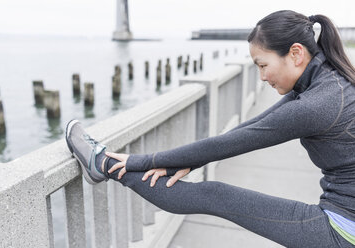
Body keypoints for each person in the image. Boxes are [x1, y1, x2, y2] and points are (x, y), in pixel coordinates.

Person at [65, 10, 355, 248]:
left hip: (343, 229)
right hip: (344, 214)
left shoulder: (316, 104)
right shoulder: (328, 82)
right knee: (214, 192)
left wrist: (145, 161)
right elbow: (250, 128)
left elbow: (243, 140)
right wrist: (189, 162)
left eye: (263, 65)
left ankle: (102, 163)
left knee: (214, 194)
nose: (262, 76)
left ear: (296, 53)